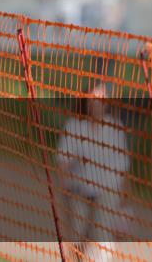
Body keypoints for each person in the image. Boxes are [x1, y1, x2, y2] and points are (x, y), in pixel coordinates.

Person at [55, 83, 129, 262]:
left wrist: (124, 201)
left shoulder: (115, 128)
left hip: (106, 191)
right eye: (93, 99)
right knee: (77, 232)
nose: (96, 103)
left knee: (100, 234)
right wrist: (65, 182)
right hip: (78, 189)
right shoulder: (75, 126)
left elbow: (123, 168)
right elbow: (62, 162)